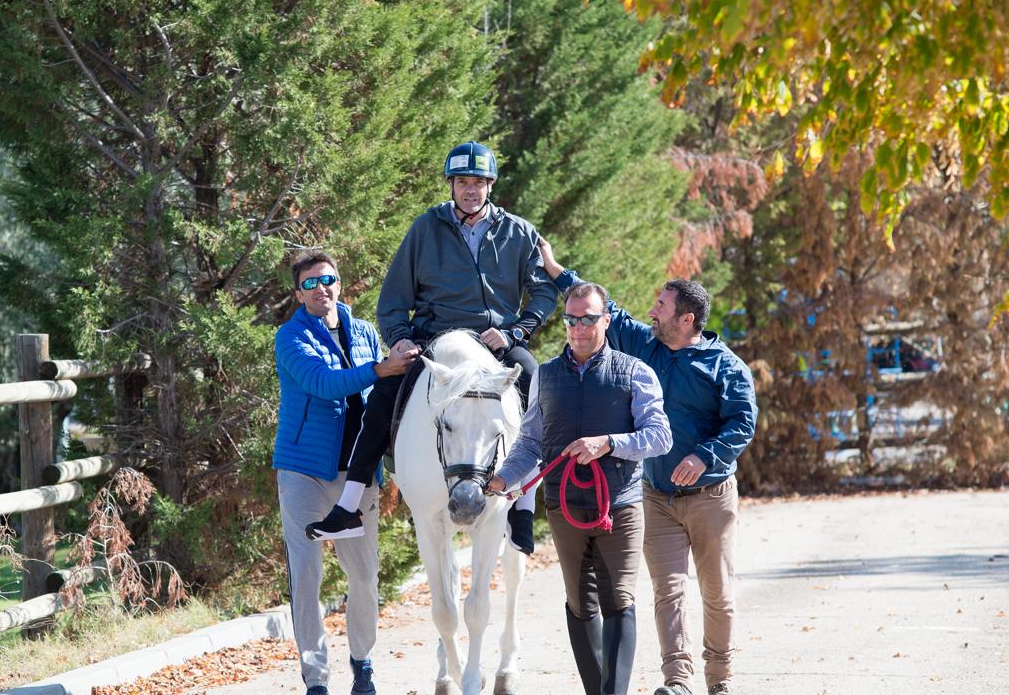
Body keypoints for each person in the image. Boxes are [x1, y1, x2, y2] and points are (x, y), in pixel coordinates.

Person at [306, 141, 559, 552]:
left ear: (490, 185)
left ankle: (524, 504)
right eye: (463, 182)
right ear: (451, 184)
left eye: (478, 182)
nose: (470, 190)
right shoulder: (425, 228)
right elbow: (392, 302)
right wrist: (400, 339)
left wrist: (515, 333)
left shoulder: (519, 232)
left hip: (494, 343)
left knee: (535, 380)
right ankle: (349, 504)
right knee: (385, 394)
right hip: (433, 342)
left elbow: (544, 292)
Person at [537, 239, 758, 695]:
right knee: (668, 591)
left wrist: (705, 456)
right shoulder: (646, 345)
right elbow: (603, 310)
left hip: (711, 498)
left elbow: (743, 422)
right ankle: (677, 681)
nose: (652, 312)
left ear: (686, 319)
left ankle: (721, 680)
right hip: (655, 496)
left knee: (716, 593)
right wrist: (558, 270)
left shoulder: (726, 366)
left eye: (661, 306)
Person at [487, 281, 672, 695]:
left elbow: (660, 437)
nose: (579, 327)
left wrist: (608, 443)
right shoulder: (547, 376)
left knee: (619, 598)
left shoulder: (635, 372)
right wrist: (502, 478)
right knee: (579, 603)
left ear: (606, 320)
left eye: (589, 318)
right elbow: (532, 442)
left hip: (619, 507)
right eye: (572, 319)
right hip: (563, 506)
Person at [273, 251, 418, 695]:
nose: (322, 288)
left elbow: (387, 391)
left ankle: (363, 663)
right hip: (304, 473)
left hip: (356, 477)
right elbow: (322, 384)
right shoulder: (290, 337)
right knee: (307, 577)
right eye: (311, 283)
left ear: (340, 283)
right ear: (298, 293)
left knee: (363, 575)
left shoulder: (364, 332)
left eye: (328, 279)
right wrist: (379, 368)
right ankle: (316, 679)